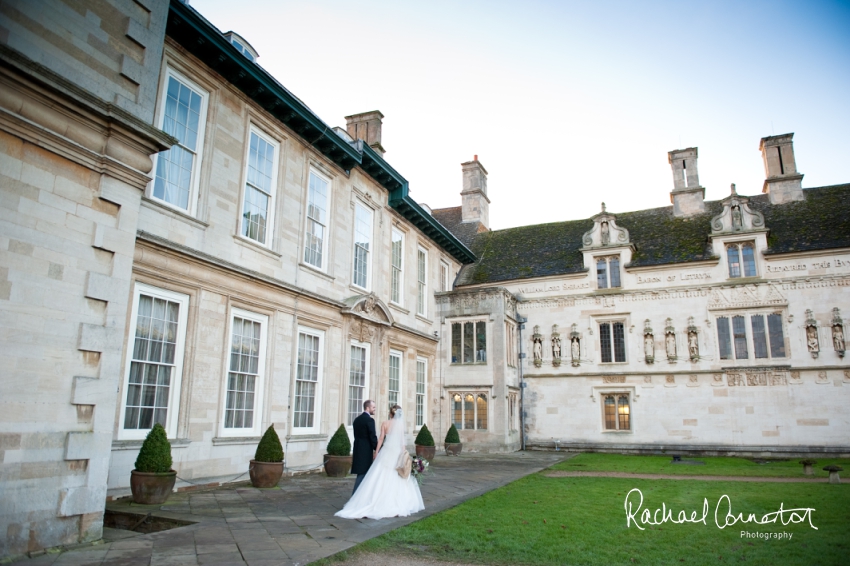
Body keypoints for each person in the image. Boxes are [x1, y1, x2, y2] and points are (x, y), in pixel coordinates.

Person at [335, 405, 424, 520]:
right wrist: (404, 453)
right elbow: (402, 442)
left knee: (379, 475)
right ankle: (397, 502)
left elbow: (381, 438)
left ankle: (374, 500)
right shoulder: (400, 425)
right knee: (398, 476)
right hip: (397, 452)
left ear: (390, 413)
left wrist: (376, 452)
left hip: (386, 451)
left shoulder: (385, 423)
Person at [350, 400, 377, 494]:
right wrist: (378, 449)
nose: (375, 409)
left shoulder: (357, 419)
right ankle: (355, 497)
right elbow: (372, 437)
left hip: (357, 448)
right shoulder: (369, 420)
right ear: (367, 408)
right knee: (363, 474)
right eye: (373, 407)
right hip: (365, 450)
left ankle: (362, 496)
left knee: (362, 473)